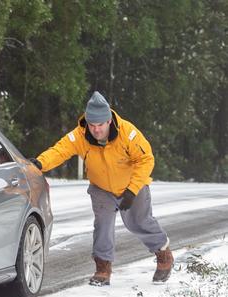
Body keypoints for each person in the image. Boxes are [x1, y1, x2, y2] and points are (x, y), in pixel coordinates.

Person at [30, 91, 172, 286]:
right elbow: (60, 150)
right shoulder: (80, 135)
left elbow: (146, 159)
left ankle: (163, 255)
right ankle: (102, 268)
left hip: (132, 184)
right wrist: (39, 163)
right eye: (92, 125)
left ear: (109, 122)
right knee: (103, 225)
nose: (96, 130)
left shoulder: (127, 133)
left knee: (138, 222)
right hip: (101, 188)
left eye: (100, 125)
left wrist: (132, 190)